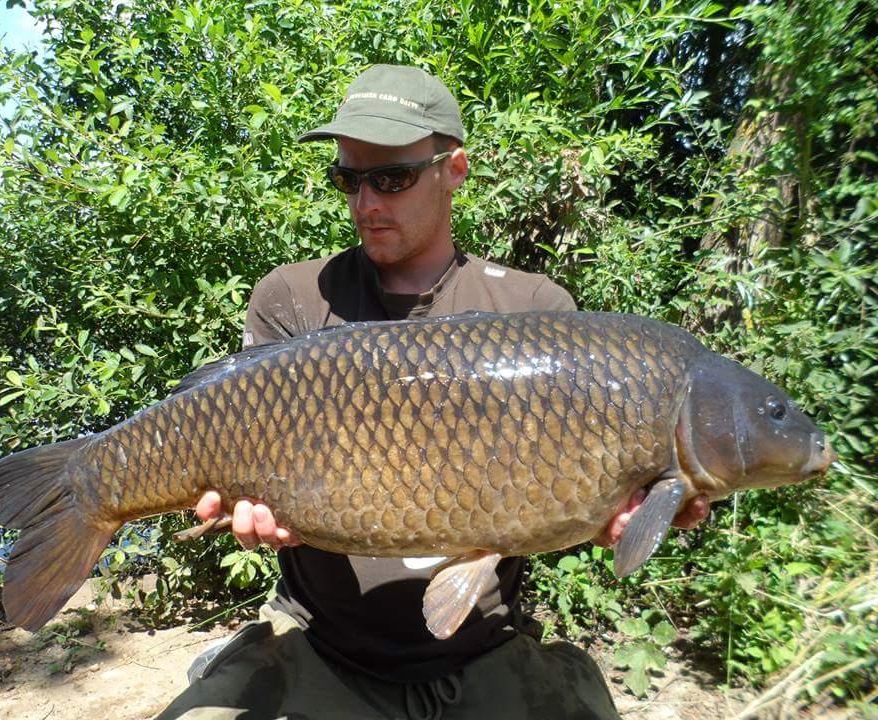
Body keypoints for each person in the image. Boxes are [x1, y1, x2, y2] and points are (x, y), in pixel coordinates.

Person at [155, 64, 709, 720]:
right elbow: (231, 444)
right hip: (322, 644)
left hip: (484, 645)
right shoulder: (295, 297)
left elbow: (573, 499)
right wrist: (245, 506)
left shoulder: (536, 311)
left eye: (391, 178)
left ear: (454, 170)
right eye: (349, 179)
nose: (366, 203)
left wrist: (615, 514)